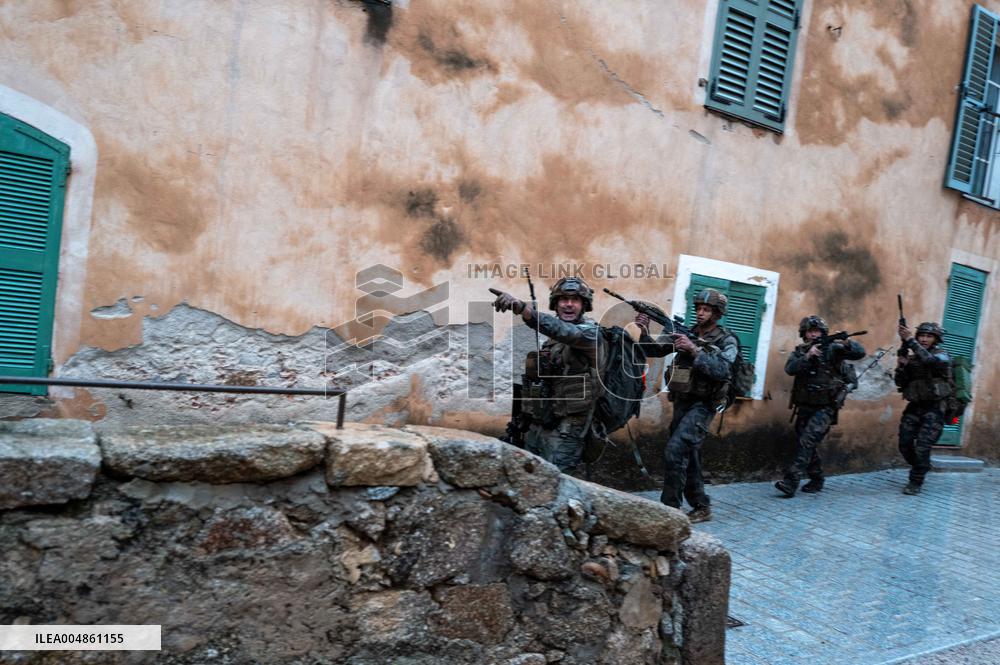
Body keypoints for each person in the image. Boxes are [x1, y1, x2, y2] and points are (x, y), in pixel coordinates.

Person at [634, 288, 738, 523]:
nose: (701, 313)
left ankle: (670, 510)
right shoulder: (687, 332)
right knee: (687, 454)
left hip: (704, 405)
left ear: (717, 313)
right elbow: (653, 350)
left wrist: (693, 349)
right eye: (699, 308)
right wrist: (644, 331)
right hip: (683, 401)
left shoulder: (726, 339)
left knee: (674, 450)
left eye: (707, 309)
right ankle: (701, 505)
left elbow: (722, 370)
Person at [491, 277, 603, 472]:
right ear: (555, 304)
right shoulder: (552, 342)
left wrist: (522, 308)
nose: (568, 304)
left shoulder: (590, 334)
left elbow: (564, 331)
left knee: (558, 483)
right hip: (543, 421)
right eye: (563, 300)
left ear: (584, 305)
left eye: (575, 300)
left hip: (568, 428)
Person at [776, 316, 865, 497]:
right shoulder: (800, 352)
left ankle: (790, 482)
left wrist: (847, 342)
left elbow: (859, 353)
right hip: (805, 406)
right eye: (810, 331)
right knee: (806, 444)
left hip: (825, 407)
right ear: (804, 334)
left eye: (817, 331)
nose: (813, 334)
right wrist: (808, 356)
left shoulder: (833, 350)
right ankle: (817, 478)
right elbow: (790, 369)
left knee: (807, 441)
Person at [895, 321, 951, 495]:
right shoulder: (913, 359)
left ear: (936, 339)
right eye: (922, 335)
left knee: (923, 446)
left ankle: (915, 481)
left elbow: (931, 361)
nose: (924, 339)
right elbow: (900, 383)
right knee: (904, 444)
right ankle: (922, 465)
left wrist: (910, 340)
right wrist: (902, 366)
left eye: (929, 336)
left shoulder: (942, 355)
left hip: (935, 408)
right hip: (915, 406)